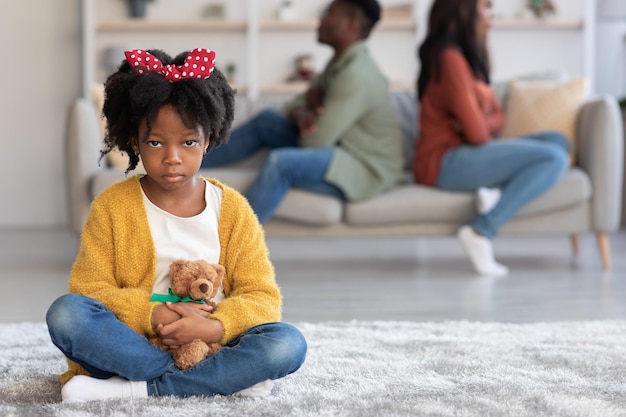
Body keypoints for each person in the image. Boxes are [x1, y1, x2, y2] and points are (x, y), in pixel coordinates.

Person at [46, 48, 307, 402]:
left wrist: (213, 326)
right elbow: (90, 289)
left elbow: (262, 297)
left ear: (208, 140)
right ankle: (223, 380)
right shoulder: (111, 207)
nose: (173, 157)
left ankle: (138, 389)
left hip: (211, 343)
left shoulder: (233, 210)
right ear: (134, 141)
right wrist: (155, 315)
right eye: (155, 142)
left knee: (288, 344)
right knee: (66, 314)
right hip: (135, 343)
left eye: (188, 142)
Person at [201, 0, 404, 224]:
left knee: (281, 163)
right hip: (339, 147)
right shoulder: (339, 64)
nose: (321, 19)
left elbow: (316, 141)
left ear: (351, 23)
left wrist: (308, 110)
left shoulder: (357, 75)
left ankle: (231, 248)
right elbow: (295, 104)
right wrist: (300, 112)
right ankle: (191, 158)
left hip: (364, 166)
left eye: (329, 13)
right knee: (266, 122)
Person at [413, 0, 570, 277]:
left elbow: (495, 120)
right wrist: (489, 115)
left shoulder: (463, 59)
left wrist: (487, 116)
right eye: (485, 8)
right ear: (463, 13)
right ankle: (481, 230)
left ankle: (493, 195)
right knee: (554, 158)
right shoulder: (449, 60)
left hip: (463, 154)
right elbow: (479, 134)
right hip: (442, 163)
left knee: (557, 141)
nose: (491, 16)